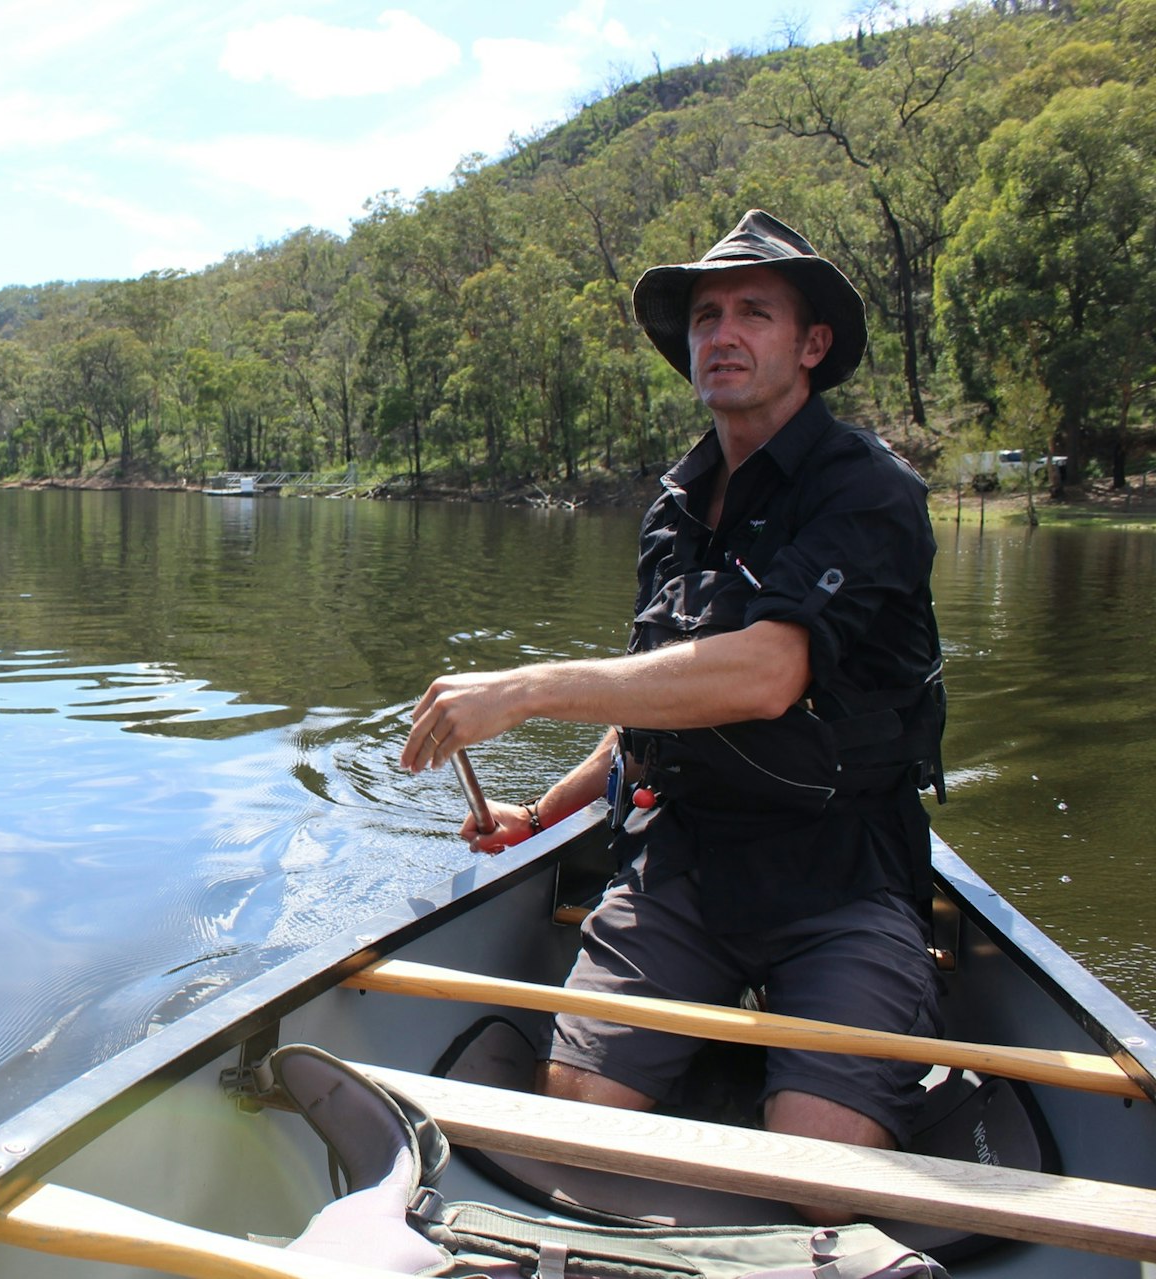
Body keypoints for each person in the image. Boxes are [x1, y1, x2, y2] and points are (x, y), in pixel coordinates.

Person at [398, 210, 947, 1221]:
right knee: (575, 1128)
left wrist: (524, 687)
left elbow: (767, 674)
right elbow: (657, 701)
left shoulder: (868, 495)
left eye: (753, 312)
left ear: (810, 344)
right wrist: (543, 817)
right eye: (704, 316)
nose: (722, 334)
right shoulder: (675, 507)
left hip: (843, 877)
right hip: (684, 868)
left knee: (822, 1184)